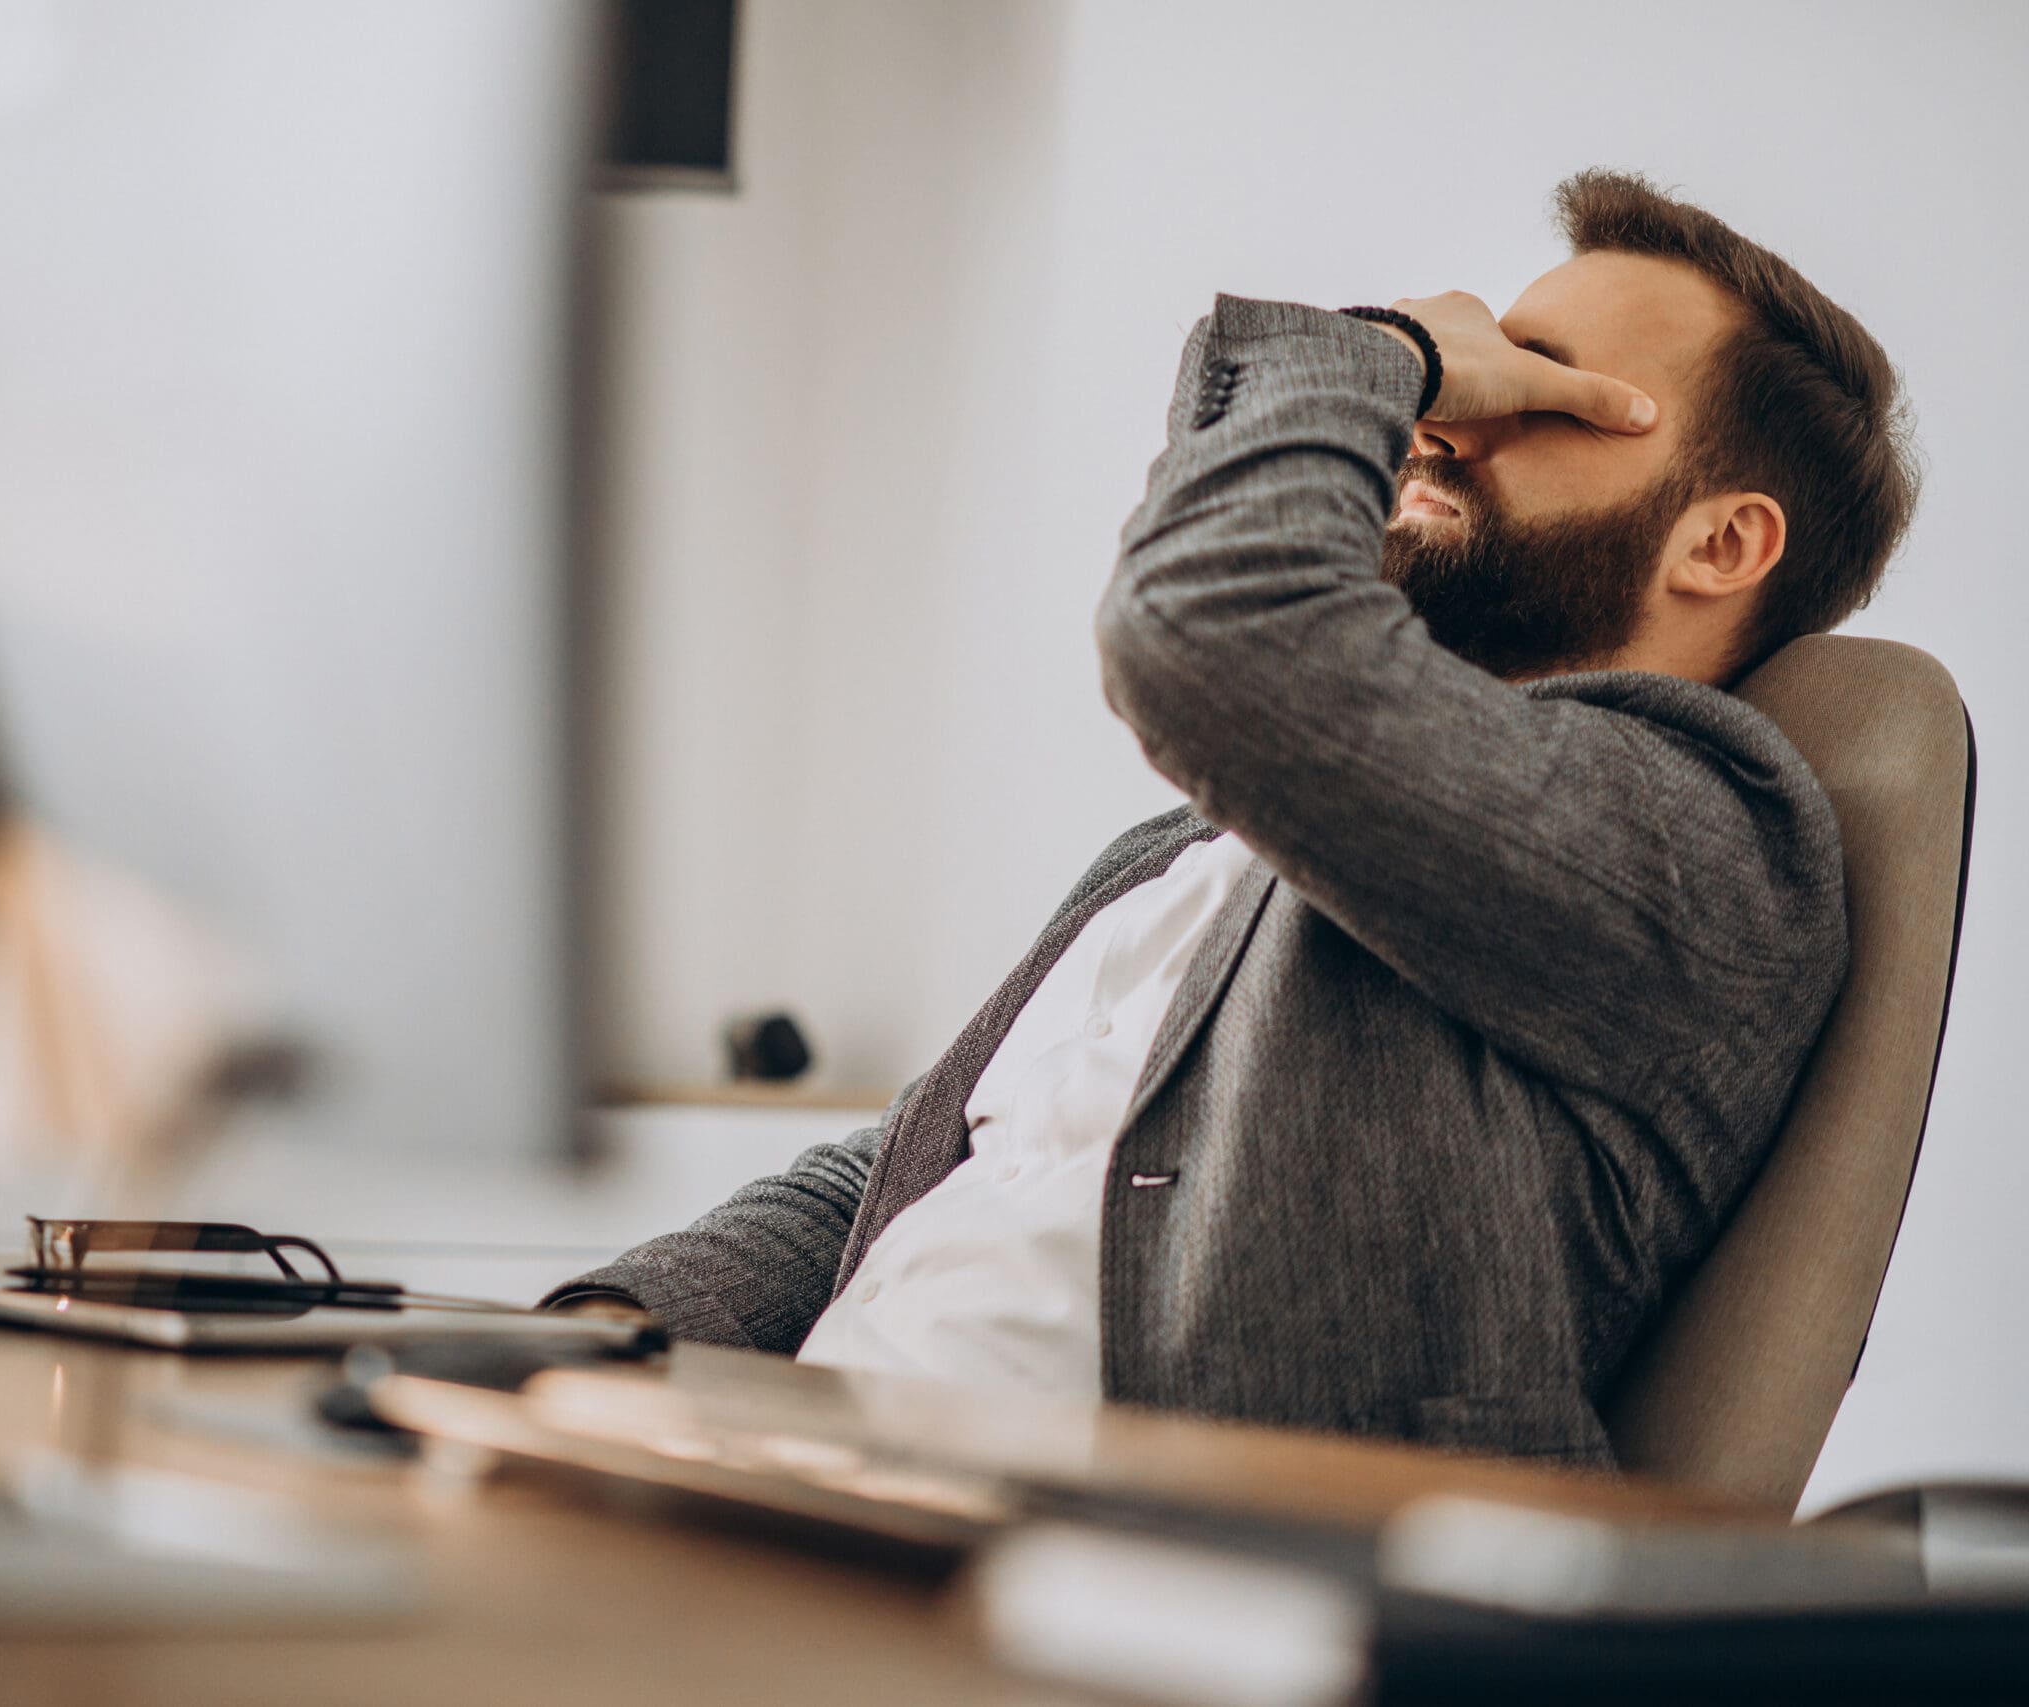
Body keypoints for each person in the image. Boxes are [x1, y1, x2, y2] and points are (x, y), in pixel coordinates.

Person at [547, 170, 1919, 1466]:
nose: (1446, 417)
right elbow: (915, 1172)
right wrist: (578, 1341)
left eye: (1548, 394)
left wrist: (1377, 350)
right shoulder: (1199, 853)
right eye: (1488, 362)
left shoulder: (1707, 844)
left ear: (1723, 543)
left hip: (1165, 1587)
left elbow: (1208, 632)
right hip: (816, 1491)